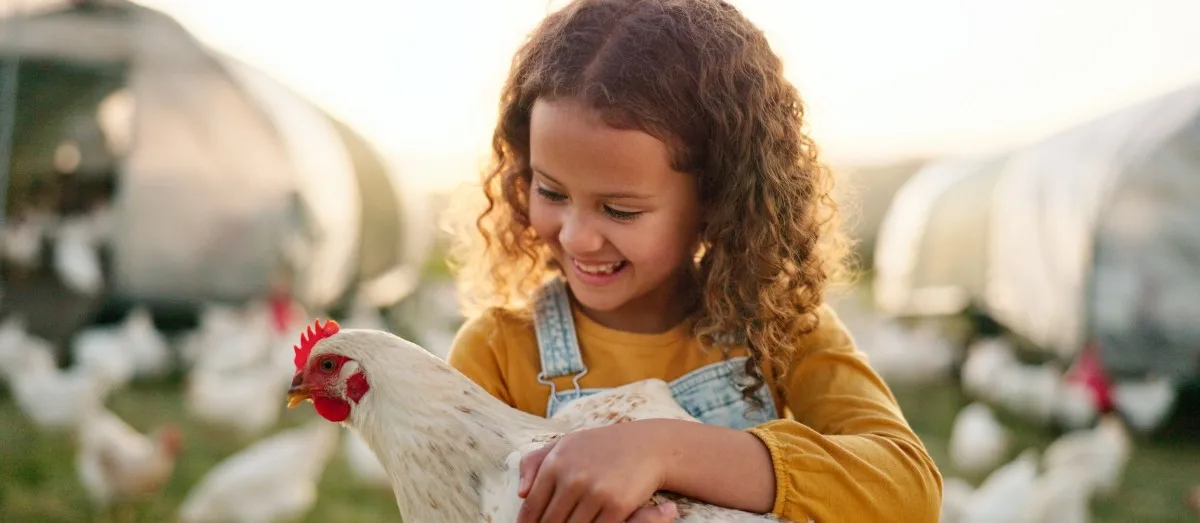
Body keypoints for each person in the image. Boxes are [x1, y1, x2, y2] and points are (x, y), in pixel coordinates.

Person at [444, 0, 943, 521]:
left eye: (619, 209)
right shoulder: (497, 354)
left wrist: (662, 451)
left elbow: (909, 489)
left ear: (717, 200)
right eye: (550, 191)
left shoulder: (779, 329)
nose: (576, 237)